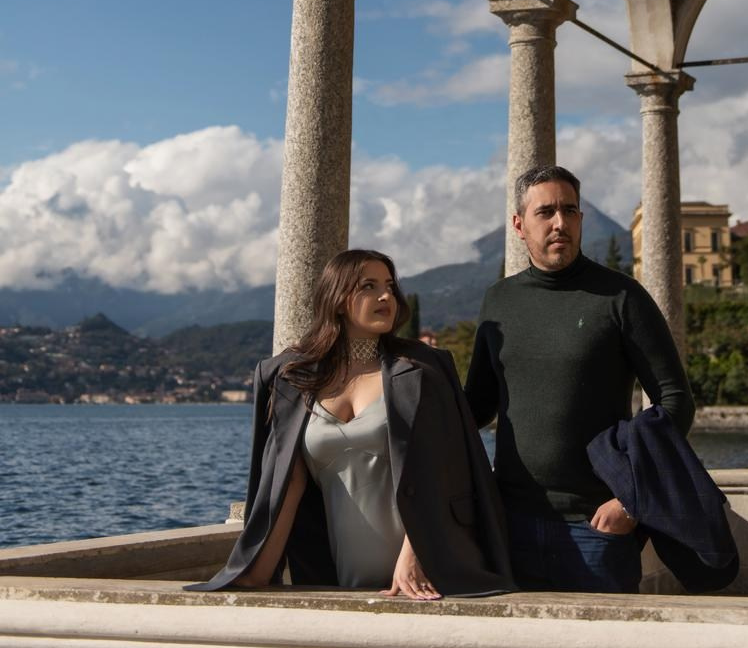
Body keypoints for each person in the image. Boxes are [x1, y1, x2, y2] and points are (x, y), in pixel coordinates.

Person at [191, 249, 515, 597]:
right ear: (339, 300)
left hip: (423, 580)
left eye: (390, 286)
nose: (385, 296)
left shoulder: (422, 372)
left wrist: (418, 555)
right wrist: (255, 571)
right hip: (339, 580)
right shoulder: (294, 380)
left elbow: (445, 472)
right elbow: (288, 484)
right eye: (369, 286)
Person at [465, 165, 696, 593]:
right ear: (518, 224)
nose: (560, 223)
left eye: (570, 211)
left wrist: (632, 498)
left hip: (598, 527)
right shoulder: (499, 300)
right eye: (546, 212)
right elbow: (475, 406)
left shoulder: (622, 296)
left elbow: (674, 399)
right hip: (511, 524)